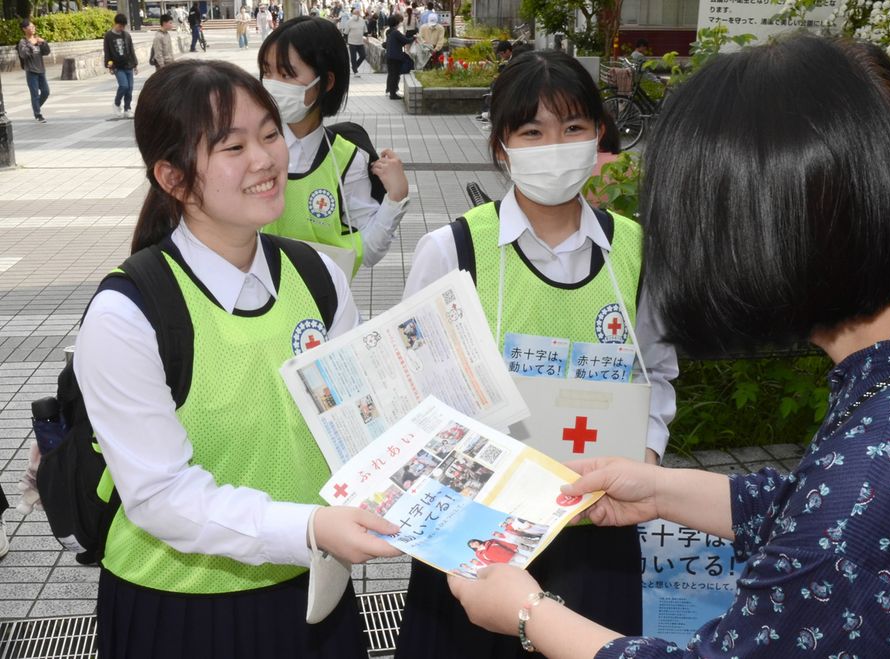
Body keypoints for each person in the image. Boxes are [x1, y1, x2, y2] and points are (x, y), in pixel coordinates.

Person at [448, 36, 890, 657]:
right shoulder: (876, 393)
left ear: (787, 217)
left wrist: (528, 613)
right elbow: (807, 509)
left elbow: (835, 524)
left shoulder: (872, 460)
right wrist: (657, 491)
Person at [75, 59, 402, 658]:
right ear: (172, 178)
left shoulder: (319, 277)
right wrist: (305, 528)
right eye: (233, 146)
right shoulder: (129, 313)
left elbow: (361, 423)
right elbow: (160, 496)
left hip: (313, 593)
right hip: (179, 609)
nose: (265, 160)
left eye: (270, 133)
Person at [396, 50, 677, 659]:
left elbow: (655, 368)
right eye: (533, 131)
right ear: (502, 146)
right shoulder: (453, 250)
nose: (556, 145)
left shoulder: (634, 248)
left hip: (599, 527)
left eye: (574, 127)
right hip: (478, 537)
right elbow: (414, 397)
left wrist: (646, 455)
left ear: (600, 134)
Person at [258, 16, 409, 274]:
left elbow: (366, 252)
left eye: (286, 74)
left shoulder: (347, 159)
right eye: (267, 72)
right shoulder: (244, 149)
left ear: (326, 82)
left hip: (323, 307)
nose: (272, 84)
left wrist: (396, 198)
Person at [103, 14, 138, 119]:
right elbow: (107, 52)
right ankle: (117, 104)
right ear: (115, 24)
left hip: (128, 65)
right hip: (117, 66)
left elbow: (131, 50)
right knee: (124, 86)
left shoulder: (126, 35)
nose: (121, 29)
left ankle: (127, 109)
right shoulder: (108, 36)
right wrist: (109, 66)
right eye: (120, 26)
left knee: (130, 88)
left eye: (123, 27)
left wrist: (135, 64)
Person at [17, 19, 50, 124]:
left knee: (46, 92)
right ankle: (38, 114)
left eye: (33, 26)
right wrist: (32, 45)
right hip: (31, 71)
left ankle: (35, 106)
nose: (33, 28)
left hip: (41, 70)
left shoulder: (37, 39)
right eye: (30, 27)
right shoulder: (23, 42)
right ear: (24, 29)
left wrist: (43, 43)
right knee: (34, 94)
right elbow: (23, 54)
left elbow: (46, 52)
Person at [384, 13, 415, 99]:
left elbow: (400, 42)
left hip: (389, 56)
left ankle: (390, 91)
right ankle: (393, 94)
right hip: (396, 57)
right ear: (396, 23)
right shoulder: (396, 32)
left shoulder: (389, 32)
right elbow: (406, 40)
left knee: (391, 74)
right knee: (395, 75)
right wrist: (414, 38)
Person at [346, 6, 367, 76]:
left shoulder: (362, 21)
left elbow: (365, 31)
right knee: (353, 57)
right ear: (353, 14)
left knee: (363, 55)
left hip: (360, 41)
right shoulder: (349, 21)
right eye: (356, 13)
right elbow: (345, 33)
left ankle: (354, 67)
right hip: (352, 42)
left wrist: (366, 38)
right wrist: (346, 41)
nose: (357, 15)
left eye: (358, 13)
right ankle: (355, 71)